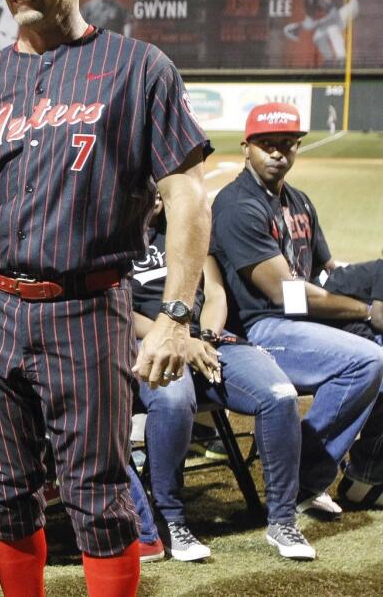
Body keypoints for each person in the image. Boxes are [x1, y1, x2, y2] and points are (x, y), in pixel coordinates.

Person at [0, 0, 212, 594]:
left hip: (87, 304)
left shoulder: (139, 68)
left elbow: (187, 195)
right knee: (6, 490)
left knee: (98, 493)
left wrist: (174, 314)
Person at [210, 102, 383, 512]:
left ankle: (367, 475)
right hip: (260, 330)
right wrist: (366, 312)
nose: (277, 153)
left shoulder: (299, 201)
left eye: (286, 144)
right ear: (245, 147)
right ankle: (302, 479)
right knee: (368, 361)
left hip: (302, 323)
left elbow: (326, 271)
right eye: (266, 144)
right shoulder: (238, 206)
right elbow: (285, 294)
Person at [133, 194, 313, 560]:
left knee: (279, 395)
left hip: (208, 340)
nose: (154, 197)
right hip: (148, 343)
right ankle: (171, 519)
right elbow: (119, 308)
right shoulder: (112, 239)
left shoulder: (187, 229)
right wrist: (178, 339)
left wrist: (205, 337)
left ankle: (282, 520)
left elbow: (214, 292)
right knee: (173, 398)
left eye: (160, 189)